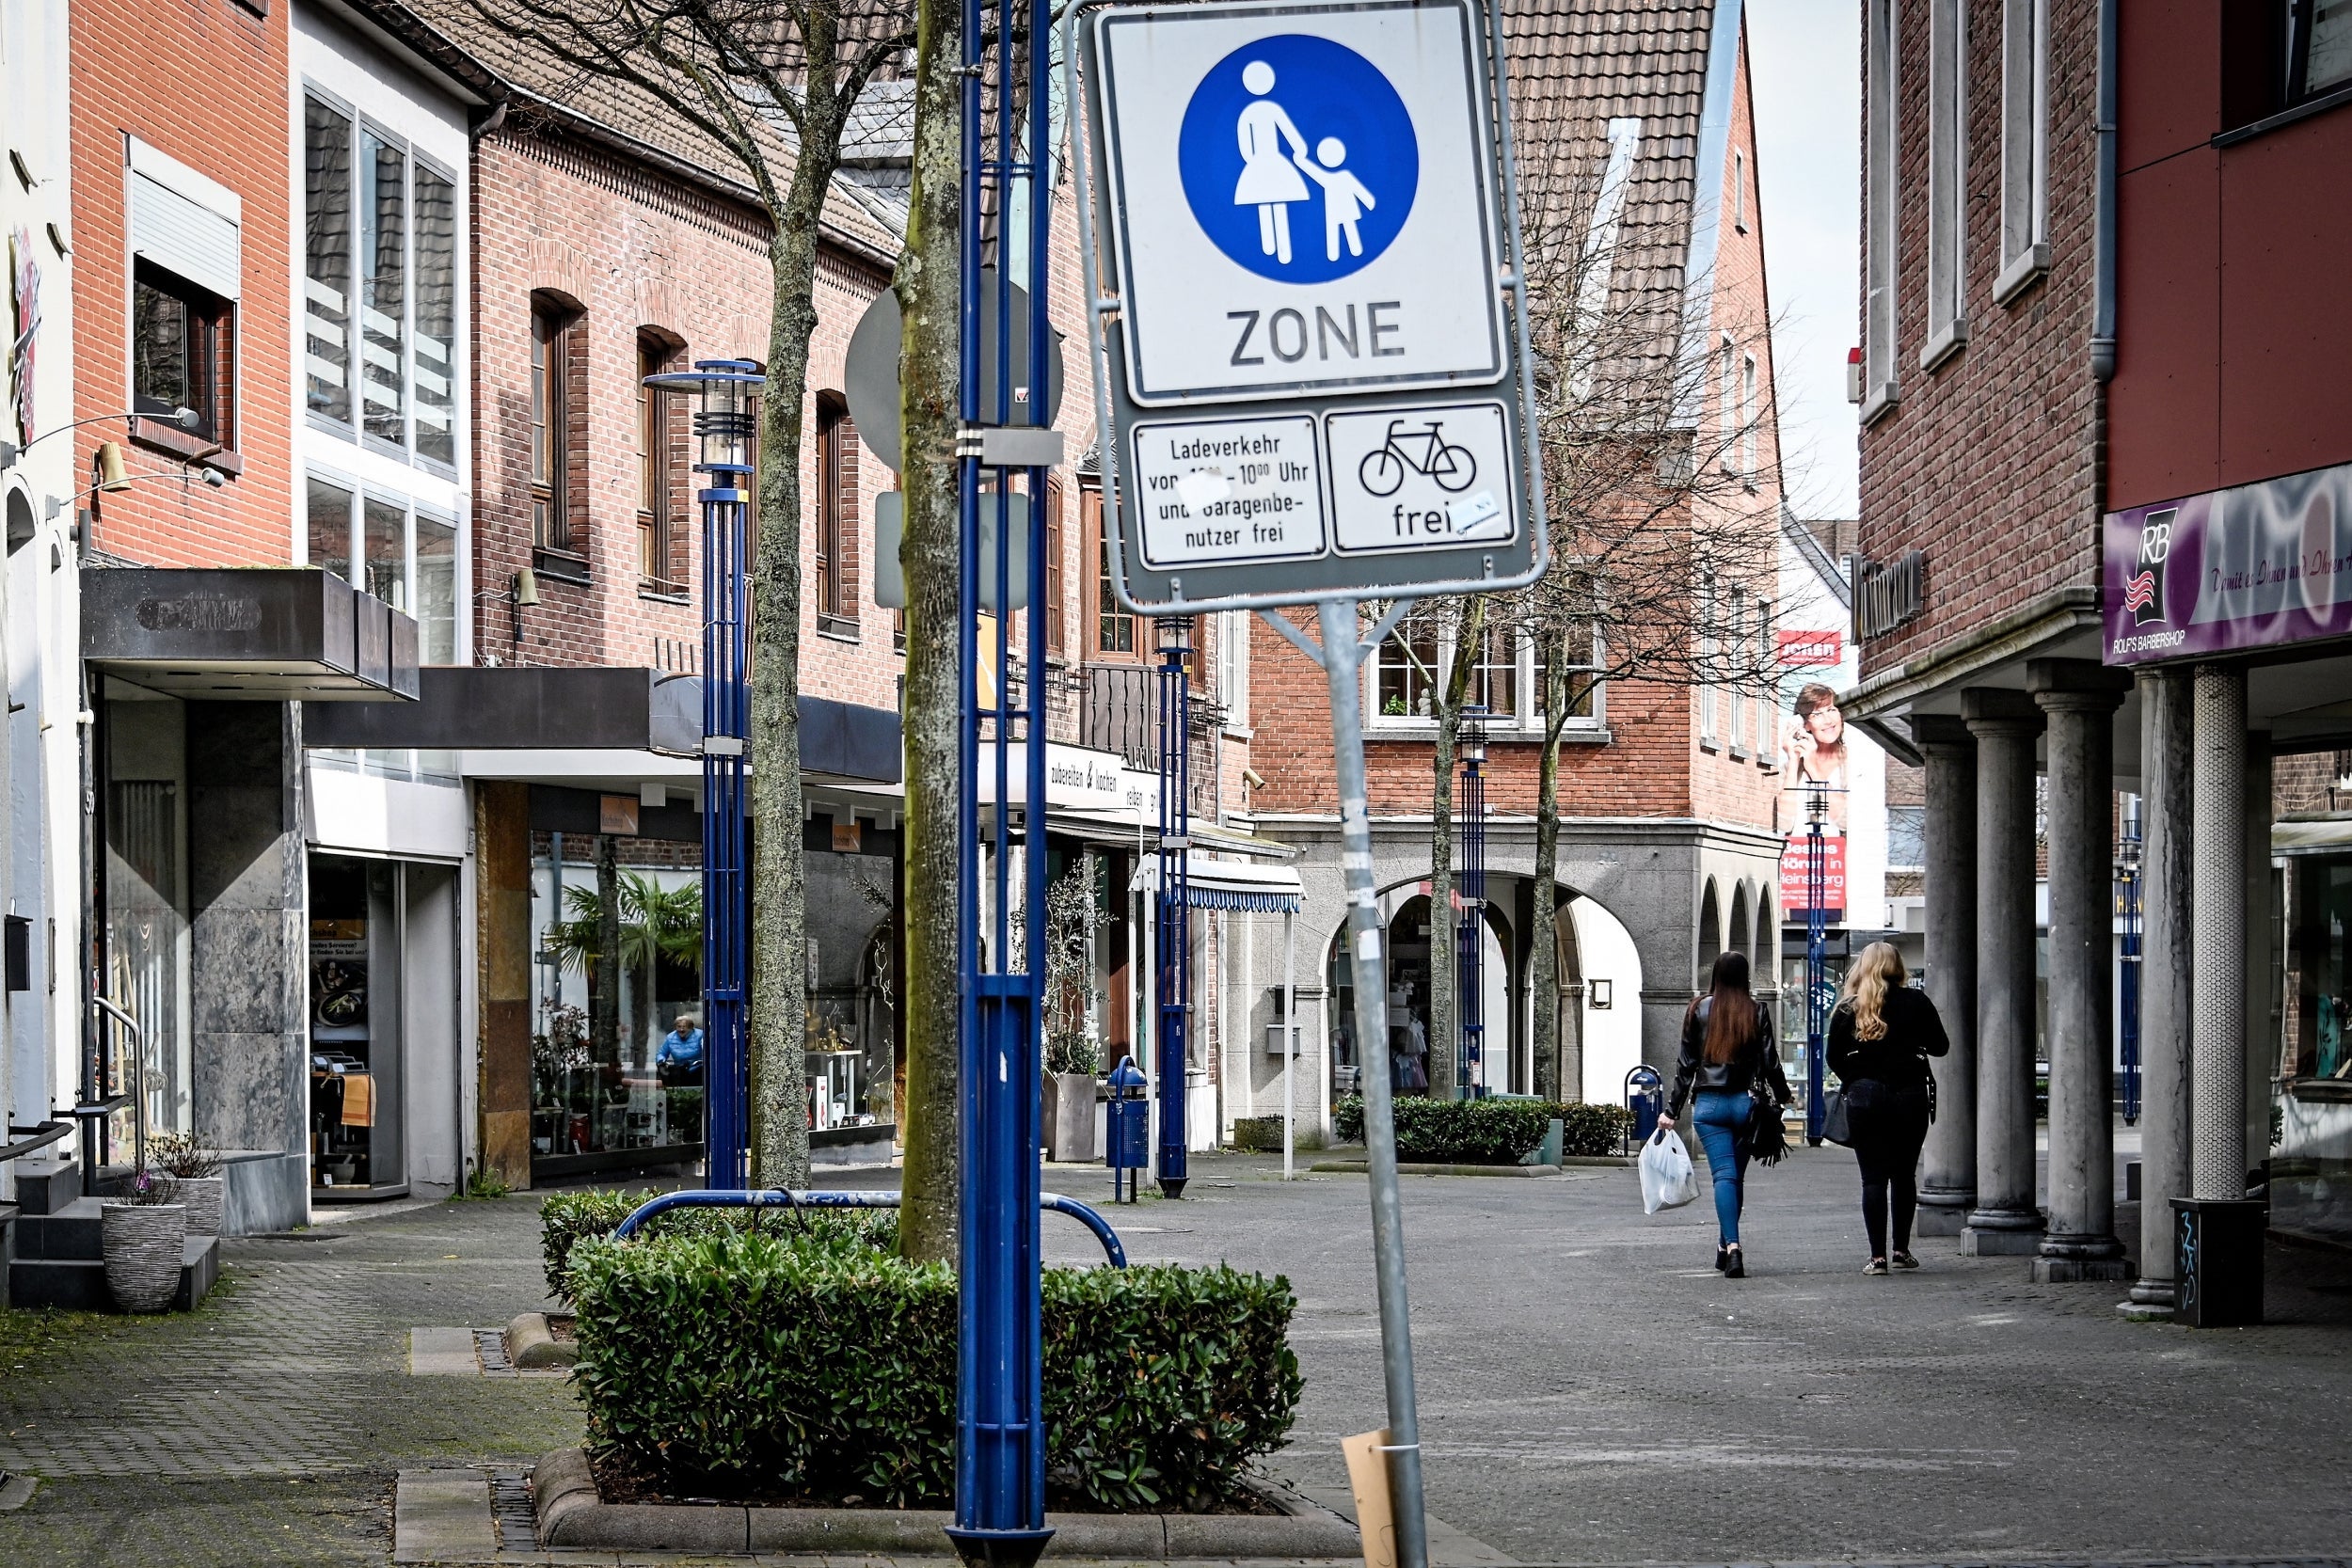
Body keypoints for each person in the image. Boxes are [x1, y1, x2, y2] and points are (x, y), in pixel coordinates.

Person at [1658, 951, 1788, 1278]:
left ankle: (1730, 1247)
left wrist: (1671, 1110)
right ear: (1745, 976)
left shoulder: (1698, 1009)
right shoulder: (1756, 1010)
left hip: (1710, 1107)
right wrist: (1783, 1097)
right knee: (1734, 1178)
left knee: (1724, 1177)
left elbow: (1685, 1064)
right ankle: (1727, 1247)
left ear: (1715, 974)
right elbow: (1770, 1061)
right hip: (1746, 1105)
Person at [1827, 942, 1949, 1274]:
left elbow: (1833, 1058)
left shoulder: (1848, 1009)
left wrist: (1856, 1079)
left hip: (1865, 1098)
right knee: (1904, 1175)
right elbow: (1941, 1046)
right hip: (1909, 1094)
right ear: (1897, 967)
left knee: (1872, 1179)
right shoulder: (1917, 1002)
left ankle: (1876, 1258)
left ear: (1863, 967)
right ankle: (1901, 1251)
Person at [1233, 60, 1311, 264]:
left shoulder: (1256, 111)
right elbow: (1247, 142)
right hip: (1268, 162)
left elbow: (1286, 132)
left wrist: (1253, 160)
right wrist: (1299, 149)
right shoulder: (1256, 111)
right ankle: (1271, 249)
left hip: (1265, 163)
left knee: (1273, 201)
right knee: (1270, 202)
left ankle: (1279, 250)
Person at [1295, 136, 1375, 261]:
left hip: (1340, 210)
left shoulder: (1336, 177)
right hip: (1339, 210)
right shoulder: (1337, 177)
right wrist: (1300, 162)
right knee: (1339, 230)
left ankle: (1347, 252)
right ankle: (1336, 255)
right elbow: (1314, 172)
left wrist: (1368, 201)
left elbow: (1358, 190)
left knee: (1345, 229)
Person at [657, 1015, 706, 1085]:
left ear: (691, 1028)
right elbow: (661, 1053)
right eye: (679, 1027)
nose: (681, 1030)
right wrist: (661, 1061)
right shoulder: (670, 1037)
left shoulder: (700, 1035)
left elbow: (708, 1052)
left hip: (698, 1069)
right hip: (679, 1071)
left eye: (684, 1027)